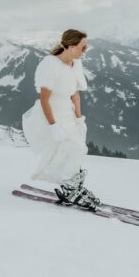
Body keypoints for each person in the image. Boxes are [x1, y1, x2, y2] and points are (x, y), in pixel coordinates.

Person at [21, 29, 101, 210]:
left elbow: (75, 93)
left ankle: (73, 185)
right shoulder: (50, 65)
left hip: (67, 110)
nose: (85, 51)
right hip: (52, 112)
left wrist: (80, 119)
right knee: (76, 147)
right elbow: (44, 99)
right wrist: (53, 126)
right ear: (71, 47)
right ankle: (69, 186)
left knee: (78, 148)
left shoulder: (75, 63)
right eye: (83, 47)